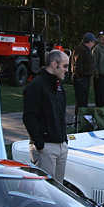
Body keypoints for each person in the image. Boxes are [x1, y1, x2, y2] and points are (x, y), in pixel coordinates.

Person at [22, 50, 70, 179]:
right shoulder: (35, 86)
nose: (67, 70)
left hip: (61, 145)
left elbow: (60, 115)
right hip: (46, 148)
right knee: (43, 191)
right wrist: (40, 144)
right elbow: (29, 117)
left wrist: (64, 141)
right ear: (54, 64)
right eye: (65, 66)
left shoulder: (59, 87)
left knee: (59, 191)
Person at [70, 32, 97, 111]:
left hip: (85, 78)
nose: (94, 44)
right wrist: (80, 78)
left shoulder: (85, 49)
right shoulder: (81, 49)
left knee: (84, 100)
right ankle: (79, 118)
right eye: (93, 42)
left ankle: (82, 117)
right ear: (90, 42)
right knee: (81, 101)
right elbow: (78, 65)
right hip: (81, 79)